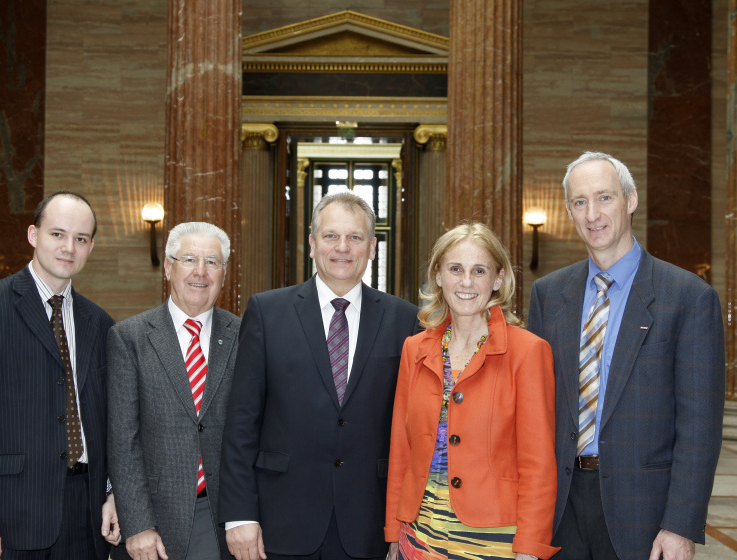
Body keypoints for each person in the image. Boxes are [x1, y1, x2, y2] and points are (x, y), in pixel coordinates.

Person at [528, 151, 725, 560]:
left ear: (630, 200)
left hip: (644, 514)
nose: (592, 214)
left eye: (605, 197)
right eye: (580, 202)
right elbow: (535, 410)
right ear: (569, 210)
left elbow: (699, 427)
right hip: (558, 509)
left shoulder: (688, 297)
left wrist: (680, 525)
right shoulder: (548, 294)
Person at [219, 191, 420, 560]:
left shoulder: (405, 320)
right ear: (312, 244)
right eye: (331, 236)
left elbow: (412, 431)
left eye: (355, 237)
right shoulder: (267, 312)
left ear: (372, 247)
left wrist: (402, 524)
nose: (342, 247)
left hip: (369, 524)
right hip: (280, 521)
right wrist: (239, 515)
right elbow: (241, 423)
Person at [0, 191, 120, 560]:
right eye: (58, 234)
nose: (69, 247)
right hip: (12, 513)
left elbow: (109, 422)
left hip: (86, 515)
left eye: (81, 239)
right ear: (33, 235)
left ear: (90, 247)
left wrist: (112, 492)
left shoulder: (100, 323)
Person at [385, 223, 560, 560]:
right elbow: (401, 450)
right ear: (438, 275)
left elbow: (538, 464)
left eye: (479, 270)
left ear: (497, 279)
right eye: (455, 269)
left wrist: (530, 547)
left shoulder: (528, 351)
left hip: (494, 540)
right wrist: (394, 530)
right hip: (419, 535)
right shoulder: (414, 349)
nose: (466, 282)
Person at [107, 222, 240, 560]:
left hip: (224, 519)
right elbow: (123, 441)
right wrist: (137, 524)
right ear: (168, 267)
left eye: (212, 262)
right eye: (189, 259)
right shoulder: (130, 338)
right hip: (154, 521)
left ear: (224, 273)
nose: (200, 271)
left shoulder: (245, 335)